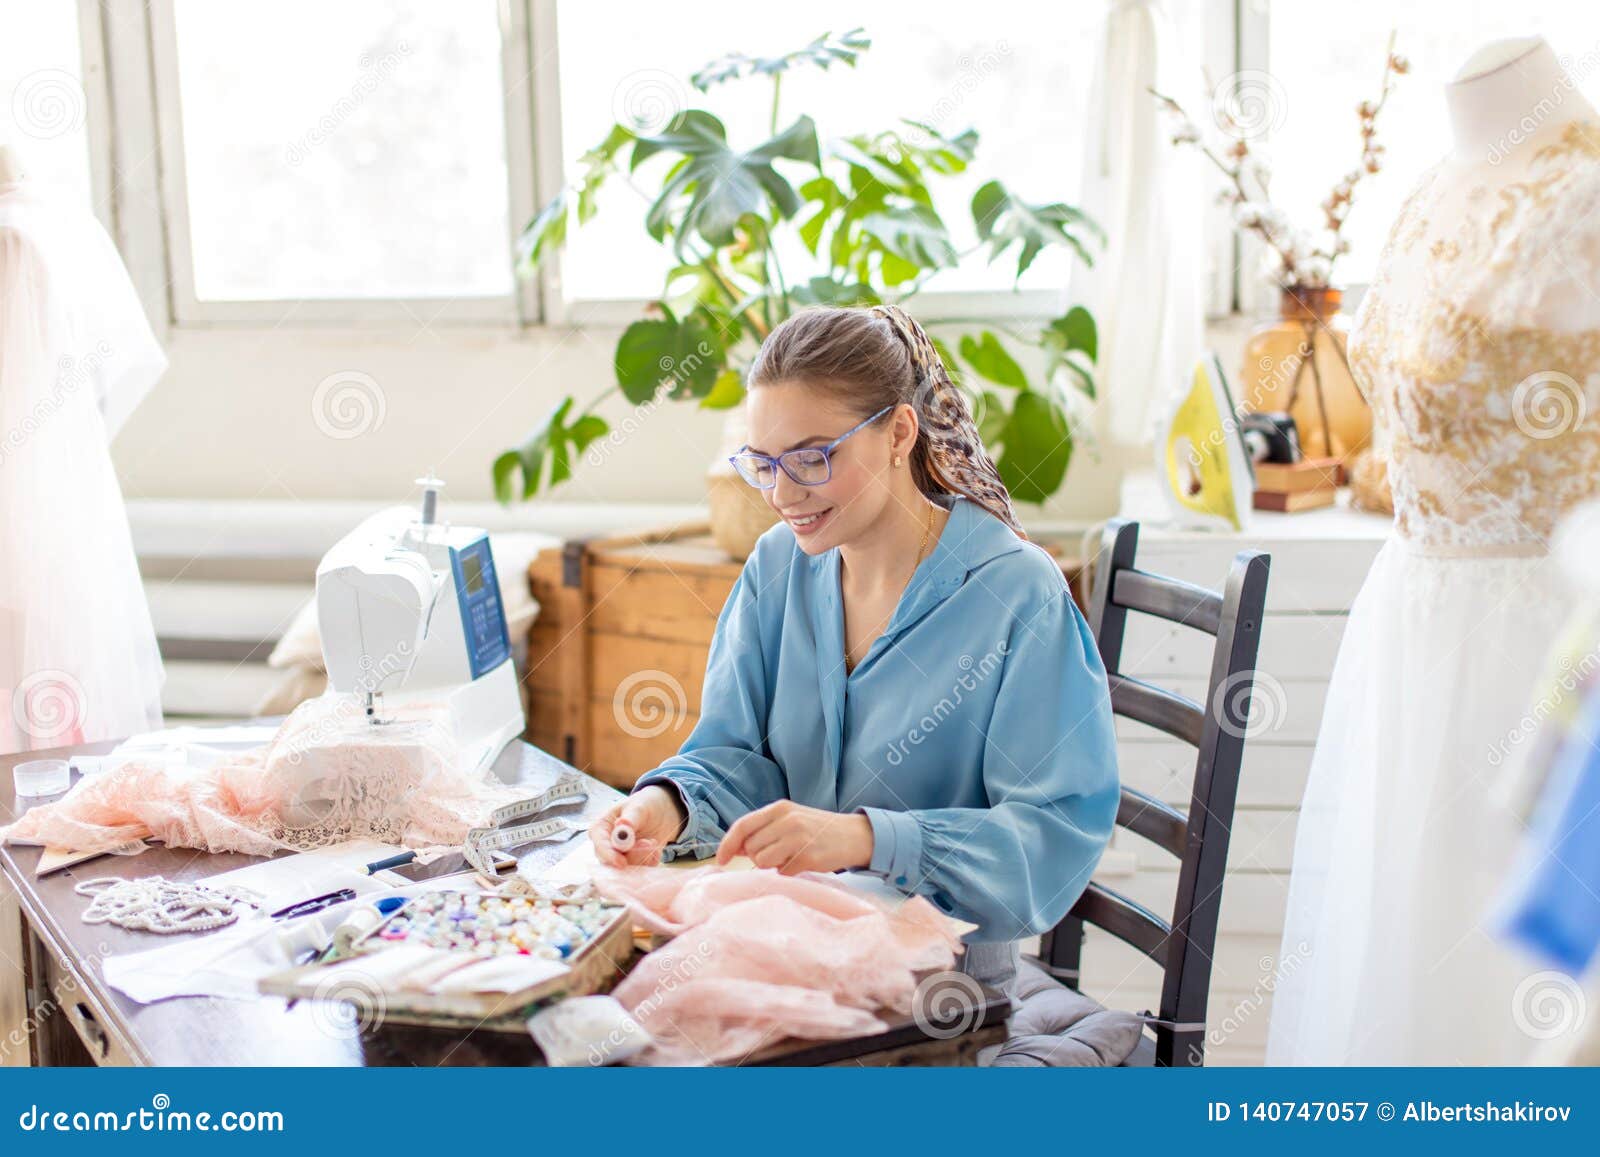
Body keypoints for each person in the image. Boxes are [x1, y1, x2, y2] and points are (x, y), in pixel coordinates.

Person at [587, 304, 1119, 995]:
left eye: (813, 458)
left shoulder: (1017, 594)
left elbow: (1048, 840)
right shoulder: (777, 567)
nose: (782, 493)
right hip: (791, 950)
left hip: (941, 994)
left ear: (899, 432)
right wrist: (668, 803)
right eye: (764, 464)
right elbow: (736, 752)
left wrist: (867, 838)